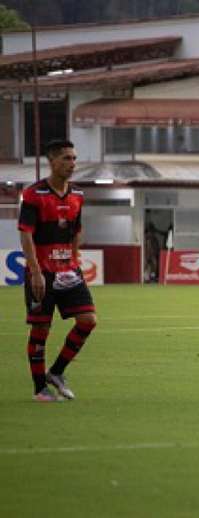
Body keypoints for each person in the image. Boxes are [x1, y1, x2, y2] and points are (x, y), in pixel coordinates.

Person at [18, 140, 97, 402]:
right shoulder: (34, 194)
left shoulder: (78, 195)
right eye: (66, 158)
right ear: (52, 162)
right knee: (41, 330)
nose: (72, 164)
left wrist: (74, 261)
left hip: (69, 271)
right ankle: (40, 388)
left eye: (74, 158)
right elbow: (26, 235)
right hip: (42, 272)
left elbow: (76, 231)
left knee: (88, 320)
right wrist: (35, 271)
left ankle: (57, 372)